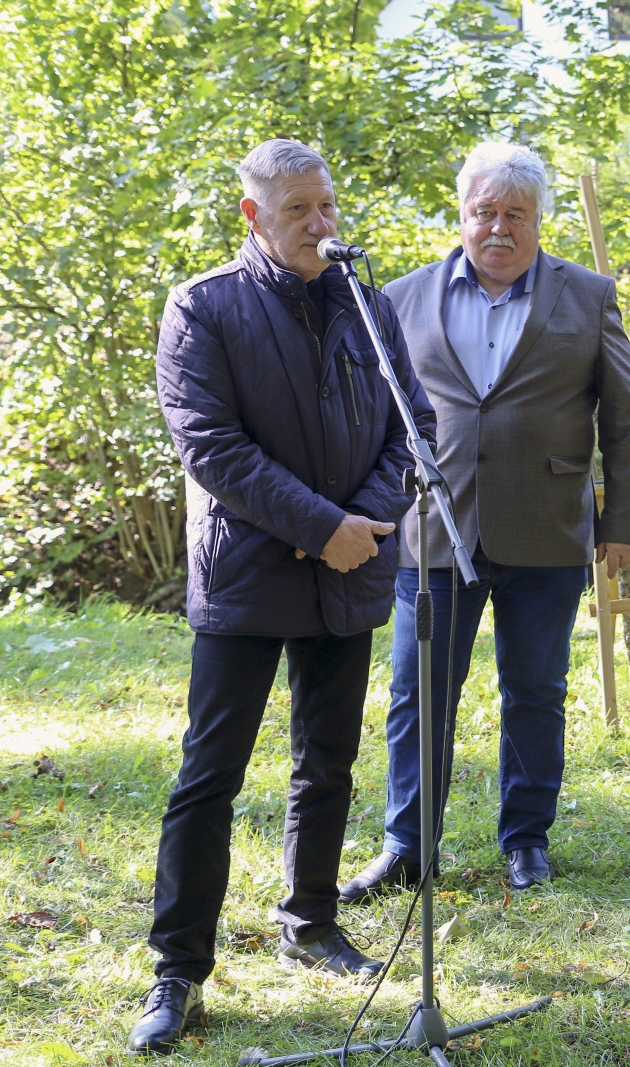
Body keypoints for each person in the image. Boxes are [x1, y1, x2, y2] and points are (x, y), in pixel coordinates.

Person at [129, 139, 435, 1054]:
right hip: (248, 574)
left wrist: (362, 524)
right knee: (209, 774)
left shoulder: (366, 304)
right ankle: (177, 969)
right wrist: (321, 525)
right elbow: (212, 446)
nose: (320, 223)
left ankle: (310, 917)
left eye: (327, 204)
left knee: (329, 759)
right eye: (298, 209)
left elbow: (413, 425)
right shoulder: (204, 306)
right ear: (253, 217)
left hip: (352, 569)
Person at [338, 142, 630, 903]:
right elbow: (366, 415)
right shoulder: (401, 297)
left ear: (538, 220)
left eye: (516, 215)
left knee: (536, 691)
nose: (500, 228)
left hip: (547, 529)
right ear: (463, 213)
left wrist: (625, 520)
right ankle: (409, 846)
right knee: (419, 692)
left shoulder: (587, 295)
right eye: (485, 212)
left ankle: (526, 841)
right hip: (431, 530)